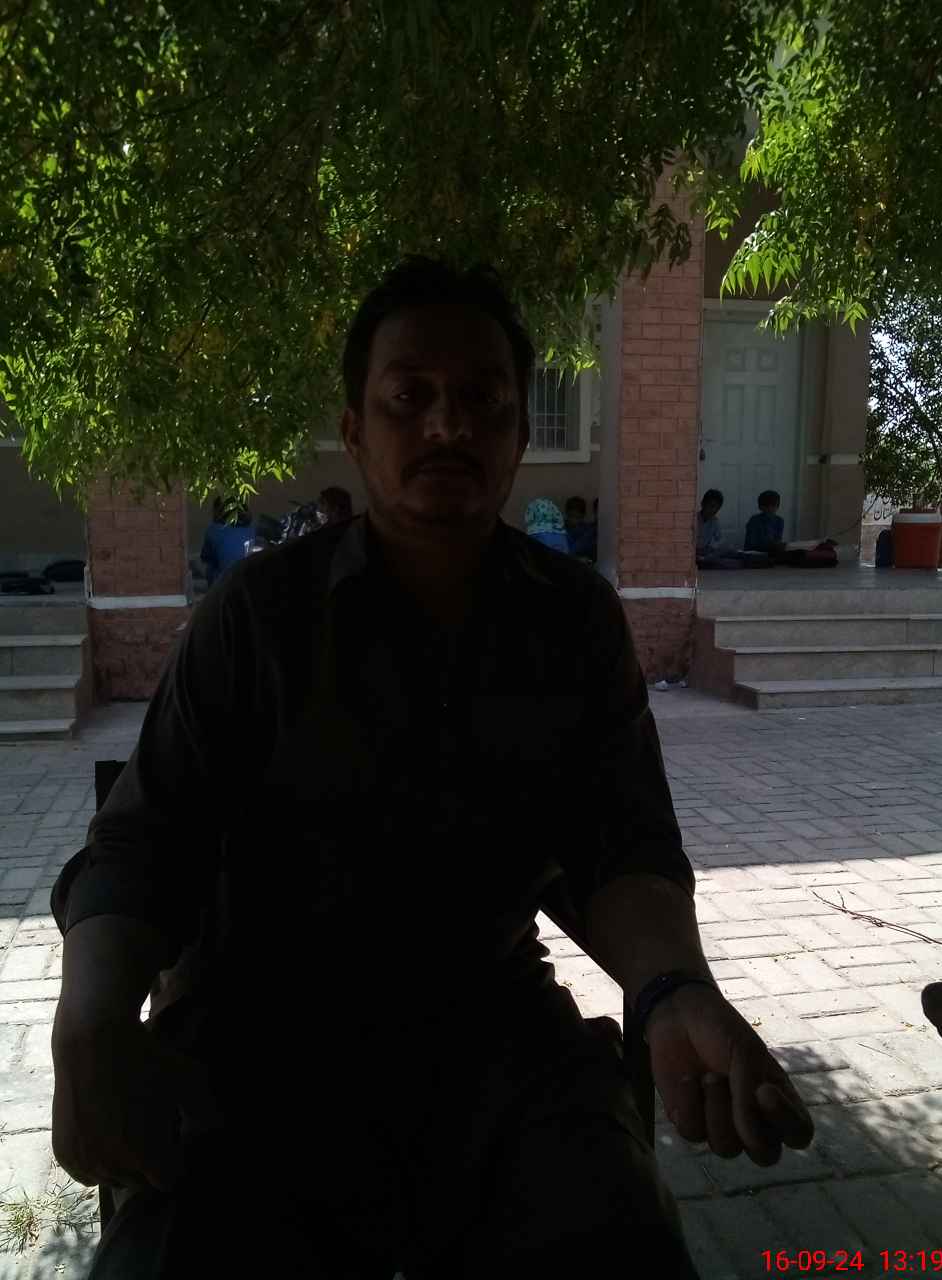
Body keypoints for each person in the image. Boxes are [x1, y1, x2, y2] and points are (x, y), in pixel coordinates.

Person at [51, 255, 814, 1279]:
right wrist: (90, 1019)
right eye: (409, 397)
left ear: (519, 433)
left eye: (484, 400)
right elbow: (146, 841)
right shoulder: (257, 618)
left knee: (620, 1242)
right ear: (356, 429)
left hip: (490, 1029)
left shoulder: (573, 623)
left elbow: (621, 842)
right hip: (256, 1044)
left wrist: (674, 989)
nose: (449, 426)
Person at [199, 497, 254, 586]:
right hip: (248, 581)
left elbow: (205, 558)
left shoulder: (213, 530)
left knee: (209, 565)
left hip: (225, 585)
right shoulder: (251, 528)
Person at [744, 489, 786, 555]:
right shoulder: (754, 521)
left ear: (777, 506)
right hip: (755, 555)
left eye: (773, 505)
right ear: (761, 507)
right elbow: (750, 545)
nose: (770, 509)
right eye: (767, 506)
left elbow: (778, 541)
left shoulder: (779, 521)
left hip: (771, 554)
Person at [565, 495, 597, 562]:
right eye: (571, 516)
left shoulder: (587, 530)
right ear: (566, 514)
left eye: (577, 517)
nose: (573, 520)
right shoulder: (561, 528)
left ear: (583, 516)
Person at [696, 489, 725, 560]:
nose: (714, 510)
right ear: (703, 504)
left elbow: (720, 539)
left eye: (717, 508)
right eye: (712, 506)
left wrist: (712, 546)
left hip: (706, 553)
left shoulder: (714, 521)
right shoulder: (694, 519)